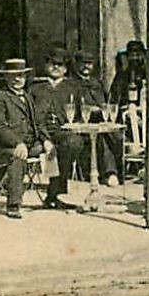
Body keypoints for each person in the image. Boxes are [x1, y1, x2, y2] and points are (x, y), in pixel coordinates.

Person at [30, 47, 95, 210]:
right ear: (46, 66)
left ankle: (55, 192)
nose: (56, 68)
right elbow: (30, 116)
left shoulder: (73, 88)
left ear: (66, 69)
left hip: (63, 133)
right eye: (52, 64)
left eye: (60, 65)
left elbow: (82, 114)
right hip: (37, 133)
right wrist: (44, 140)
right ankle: (55, 194)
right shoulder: (35, 88)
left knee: (74, 143)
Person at [0, 57, 49, 220]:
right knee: (18, 157)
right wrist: (17, 143)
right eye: (13, 76)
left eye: (21, 75)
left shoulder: (28, 97)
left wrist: (46, 140)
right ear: (6, 77)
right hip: (4, 147)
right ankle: (13, 204)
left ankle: (54, 195)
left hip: (29, 144)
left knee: (55, 149)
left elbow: (37, 123)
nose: (17, 79)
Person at [72, 51, 123, 188]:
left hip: (100, 122)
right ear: (76, 64)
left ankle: (120, 173)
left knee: (117, 136)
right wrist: (90, 110)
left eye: (89, 63)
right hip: (81, 124)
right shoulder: (71, 83)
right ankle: (109, 173)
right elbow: (70, 106)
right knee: (101, 138)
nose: (86, 67)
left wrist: (103, 110)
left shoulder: (97, 82)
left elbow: (106, 102)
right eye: (83, 63)